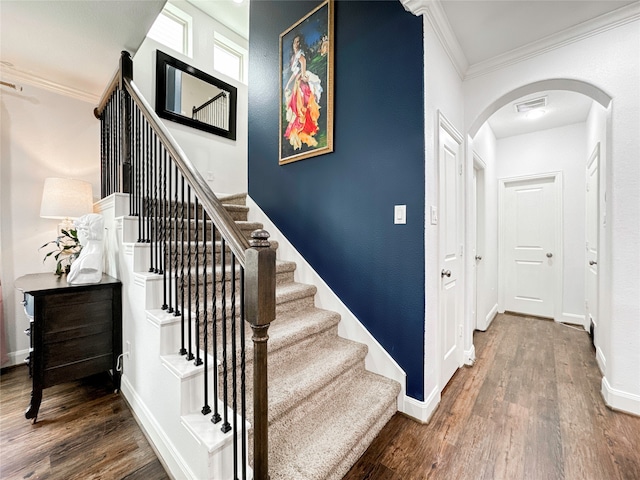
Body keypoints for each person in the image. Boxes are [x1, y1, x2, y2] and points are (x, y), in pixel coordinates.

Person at [283, 33, 323, 151]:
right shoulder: (293, 57)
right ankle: (302, 128)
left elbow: (303, 62)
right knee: (297, 105)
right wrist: (287, 84)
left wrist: (304, 74)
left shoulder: (300, 54)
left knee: (302, 103)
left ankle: (306, 127)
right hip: (296, 79)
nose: (297, 44)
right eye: (296, 42)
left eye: (299, 42)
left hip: (300, 80)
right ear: (293, 44)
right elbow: (294, 72)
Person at [67, 213, 104, 284]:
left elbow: (71, 279)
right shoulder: (85, 252)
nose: (77, 235)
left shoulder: (92, 255)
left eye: (78, 231)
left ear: (85, 232)